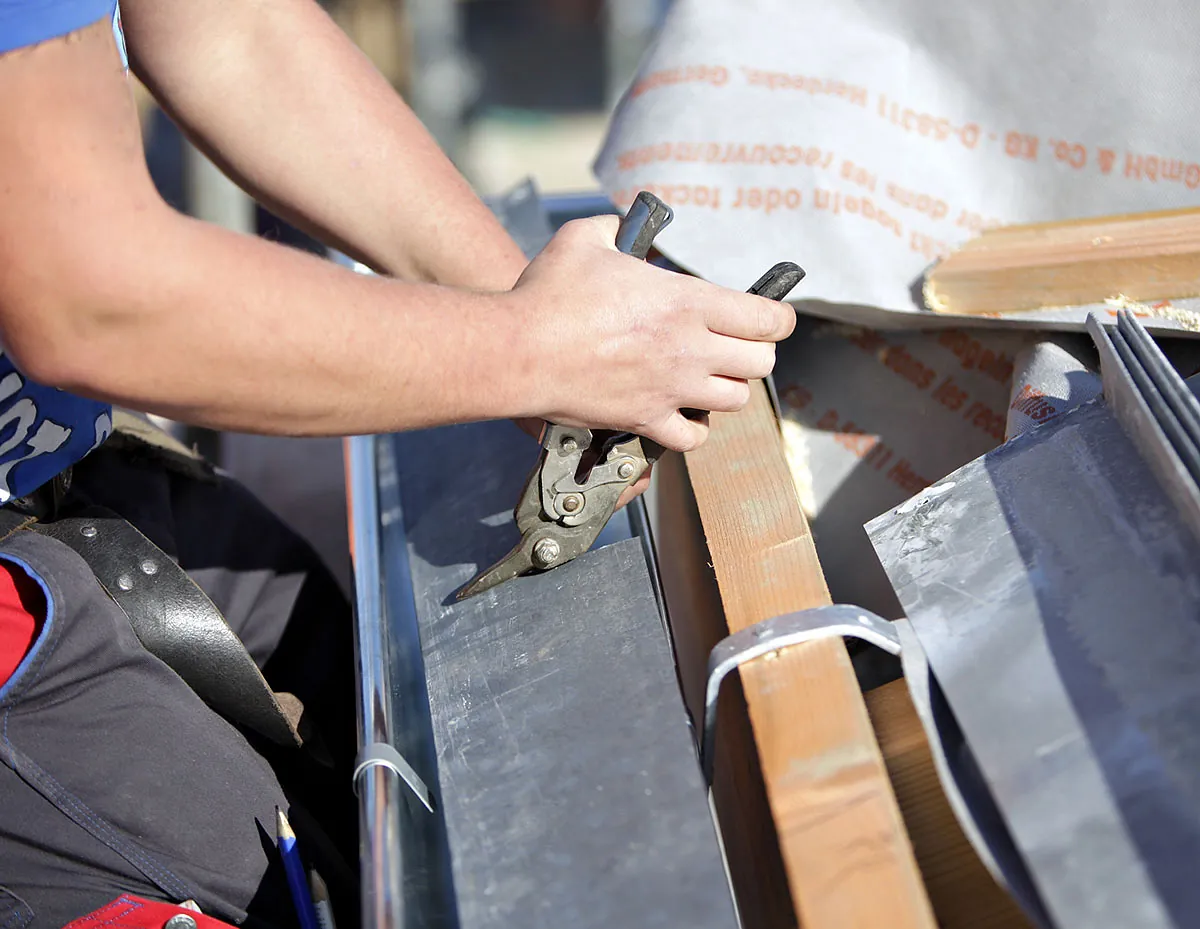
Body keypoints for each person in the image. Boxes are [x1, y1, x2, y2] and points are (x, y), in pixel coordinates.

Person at [0, 2, 797, 927]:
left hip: (59, 455)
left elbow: (231, 33)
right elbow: (85, 298)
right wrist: (529, 348)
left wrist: (541, 326)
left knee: (322, 700)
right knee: (236, 879)